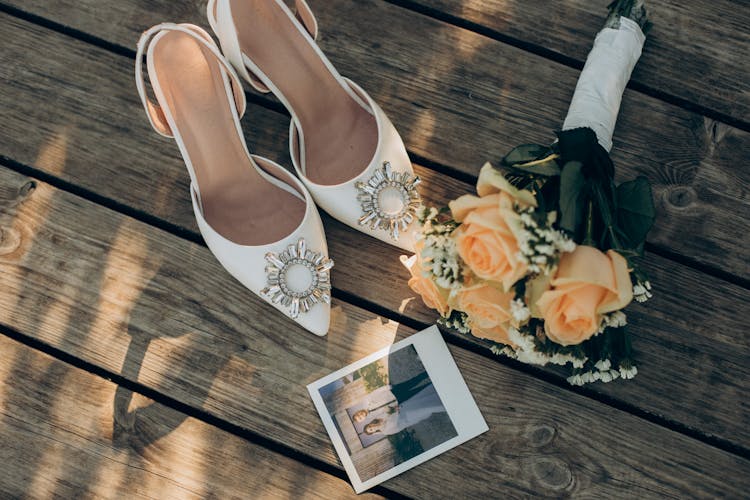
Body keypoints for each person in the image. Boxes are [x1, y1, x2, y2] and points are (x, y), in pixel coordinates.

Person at [363, 381, 445, 436]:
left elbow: (389, 410)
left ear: (370, 424)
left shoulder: (379, 418)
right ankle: (445, 402)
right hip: (408, 417)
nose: (372, 428)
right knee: (427, 408)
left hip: (405, 406)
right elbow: (396, 424)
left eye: (370, 427)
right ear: (373, 432)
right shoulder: (385, 431)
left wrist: (392, 409)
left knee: (422, 397)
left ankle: (438, 386)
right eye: (371, 430)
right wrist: (393, 412)